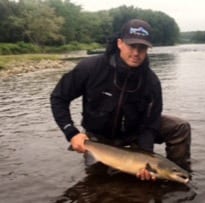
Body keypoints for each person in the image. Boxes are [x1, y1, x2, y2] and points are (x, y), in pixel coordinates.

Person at [50, 19, 191, 181]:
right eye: (132, 46)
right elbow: (58, 98)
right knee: (98, 181)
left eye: (142, 48)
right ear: (119, 43)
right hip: (99, 139)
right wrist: (71, 133)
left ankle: (178, 174)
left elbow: (149, 125)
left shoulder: (151, 82)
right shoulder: (90, 68)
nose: (136, 53)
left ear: (148, 49)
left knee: (179, 126)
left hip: (134, 134)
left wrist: (146, 158)